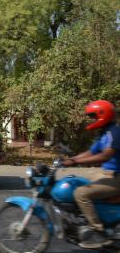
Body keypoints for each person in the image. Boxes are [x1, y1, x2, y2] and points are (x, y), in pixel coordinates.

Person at [63, 100, 120, 249]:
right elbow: (91, 152)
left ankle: (97, 232)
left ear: (103, 115)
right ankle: (83, 221)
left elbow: (105, 156)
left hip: (115, 177)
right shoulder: (104, 134)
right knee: (77, 183)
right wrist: (72, 159)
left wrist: (75, 163)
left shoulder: (115, 132)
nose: (92, 120)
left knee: (81, 194)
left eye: (94, 116)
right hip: (106, 174)